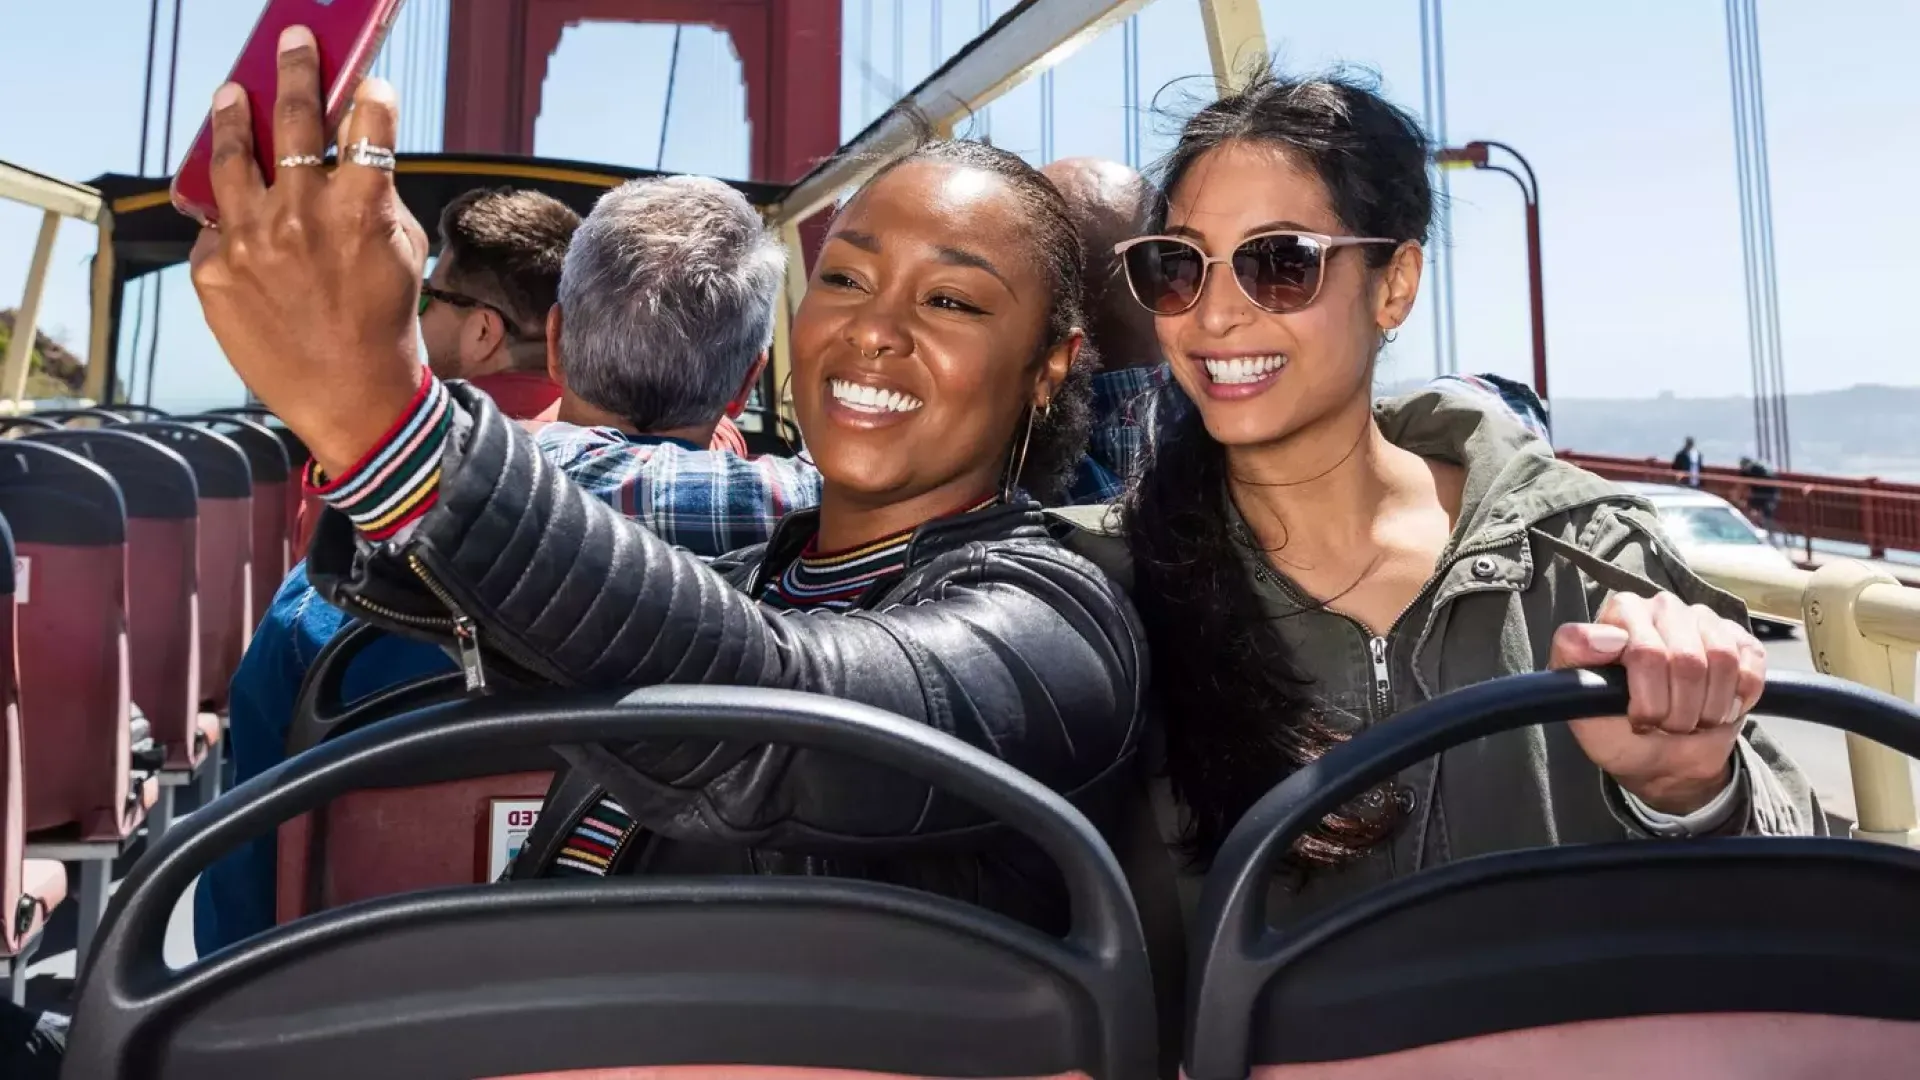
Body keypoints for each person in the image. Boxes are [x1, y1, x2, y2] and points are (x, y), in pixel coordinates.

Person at [187, 36, 1142, 933]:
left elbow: (780, 717)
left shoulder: (1060, 626)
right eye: (846, 281)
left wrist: (388, 428)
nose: (875, 330)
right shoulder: (744, 570)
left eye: (951, 300)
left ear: (1050, 365)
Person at [1084, 65, 1817, 922]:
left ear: (1394, 285)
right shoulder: (1102, 588)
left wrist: (1687, 788)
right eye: (1177, 268)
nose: (1212, 316)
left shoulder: (1583, 559)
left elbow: (1789, 891)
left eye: (1280, 264)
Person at [196, 175, 818, 952]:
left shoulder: (342, 585)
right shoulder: (843, 571)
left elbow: (247, 894)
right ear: (748, 381)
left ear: (555, 340)